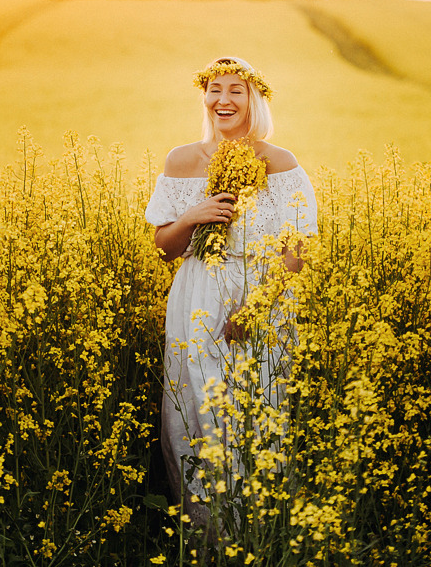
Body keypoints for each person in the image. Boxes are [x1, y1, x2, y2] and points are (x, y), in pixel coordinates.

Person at [144, 56, 317, 525]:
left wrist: (254, 309)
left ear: (253, 100)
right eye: (214, 89)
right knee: (196, 409)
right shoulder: (181, 161)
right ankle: (206, 535)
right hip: (197, 292)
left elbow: (298, 247)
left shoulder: (280, 162)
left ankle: (260, 531)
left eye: (236, 90)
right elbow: (164, 249)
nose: (223, 100)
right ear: (205, 98)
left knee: (257, 407)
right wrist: (190, 218)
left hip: (261, 296)